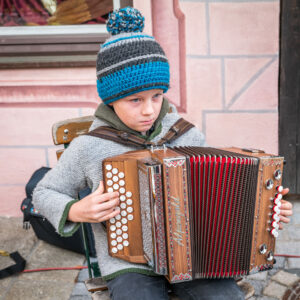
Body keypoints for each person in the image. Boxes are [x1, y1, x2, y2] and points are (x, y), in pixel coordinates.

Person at [33, 7, 293, 300]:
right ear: (111, 99)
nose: (149, 109)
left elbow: (220, 195)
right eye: (135, 100)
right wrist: (77, 210)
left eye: (157, 96)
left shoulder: (186, 135)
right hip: (128, 264)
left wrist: (265, 209)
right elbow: (44, 193)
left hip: (194, 256)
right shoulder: (89, 146)